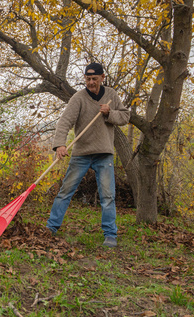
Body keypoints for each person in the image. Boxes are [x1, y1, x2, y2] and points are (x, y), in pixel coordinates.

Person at [46, 62, 130, 248]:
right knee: (65, 192)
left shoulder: (111, 96)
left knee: (108, 196)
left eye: (94, 79)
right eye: (88, 79)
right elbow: (65, 121)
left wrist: (110, 113)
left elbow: (125, 117)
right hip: (81, 154)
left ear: (102, 78)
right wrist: (60, 144)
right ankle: (51, 228)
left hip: (104, 154)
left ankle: (110, 235)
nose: (91, 82)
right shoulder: (79, 98)